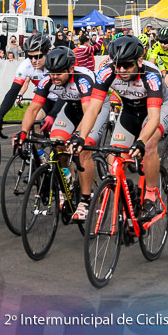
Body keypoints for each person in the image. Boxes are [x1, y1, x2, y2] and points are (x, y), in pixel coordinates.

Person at [15, 47, 109, 222]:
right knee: (57, 143)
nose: (54, 77)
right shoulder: (48, 80)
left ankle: (85, 201)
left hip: (95, 109)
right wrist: (22, 132)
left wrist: (78, 135)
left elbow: (89, 112)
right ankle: (68, 181)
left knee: (83, 149)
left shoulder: (83, 80)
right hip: (71, 108)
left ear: (71, 69)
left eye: (59, 73)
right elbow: (33, 109)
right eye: (51, 73)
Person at [85, 35, 168, 221]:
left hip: (158, 108)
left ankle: (150, 194)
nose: (122, 70)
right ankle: (126, 196)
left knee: (148, 146)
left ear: (140, 60)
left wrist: (140, 141)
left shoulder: (151, 74)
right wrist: (80, 137)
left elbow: (154, 116)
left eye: (127, 65)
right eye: (118, 65)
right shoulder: (107, 72)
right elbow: (93, 109)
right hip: (130, 110)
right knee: (115, 155)